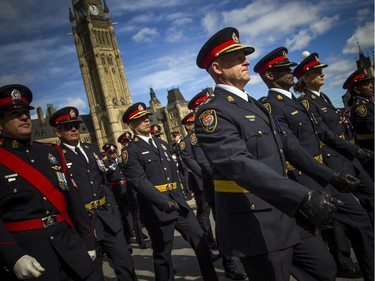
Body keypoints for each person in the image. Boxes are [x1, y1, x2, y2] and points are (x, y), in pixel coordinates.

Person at [194, 27, 341, 281]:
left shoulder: (256, 104)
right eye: (238, 57)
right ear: (217, 68)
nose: (247, 60)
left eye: (244, 55)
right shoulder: (213, 114)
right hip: (256, 220)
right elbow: (239, 164)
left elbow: (290, 146)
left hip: (287, 210)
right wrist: (303, 197)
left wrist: (331, 176)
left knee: (324, 270)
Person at [254, 47, 374, 281]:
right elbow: (293, 148)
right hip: (305, 179)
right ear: (269, 76)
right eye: (284, 69)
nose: (291, 72)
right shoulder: (271, 105)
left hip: (323, 174)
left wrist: (356, 151)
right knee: (319, 247)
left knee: (361, 222)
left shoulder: (299, 102)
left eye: (290, 68)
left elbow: (323, 133)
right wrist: (330, 175)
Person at [0, 84, 101, 281]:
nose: (24, 117)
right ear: (1, 122)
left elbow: (73, 199)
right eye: (15, 113)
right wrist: (13, 256)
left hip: (71, 246)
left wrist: (88, 240)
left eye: (25, 112)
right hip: (31, 257)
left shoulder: (51, 153)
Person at [121, 102, 219, 281]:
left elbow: (173, 173)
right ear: (131, 125)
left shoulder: (162, 143)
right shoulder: (131, 151)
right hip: (157, 209)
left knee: (200, 241)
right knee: (163, 254)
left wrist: (180, 196)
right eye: (140, 119)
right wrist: (162, 201)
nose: (146, 121)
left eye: (146, 117)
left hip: (178, 204)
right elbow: (139, 181)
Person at [49, 107, 137, 281]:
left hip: (107, 216)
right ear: (58, 132)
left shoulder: (92, 149)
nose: (74, 129)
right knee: (94, 271)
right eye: (68, 127)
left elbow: (103, 183)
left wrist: (114, 213)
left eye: (76, 125)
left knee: (125, 262)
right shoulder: (55, 157)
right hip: (84, 222)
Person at [294, 53, 374, 222]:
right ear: (306, 79)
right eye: (317, 72)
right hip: (335, 159)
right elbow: (323, 133)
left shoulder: (324, 97)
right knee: (355, 214)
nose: (322, 74)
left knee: (371, 195)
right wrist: (356, 149)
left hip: (347, 155)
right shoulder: (306, 102)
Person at [181, 97, 247, 280]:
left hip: (231, 181)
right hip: (216, 184)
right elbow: (197, 160)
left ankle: (241, 259)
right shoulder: (193, 137)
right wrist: (218, 174)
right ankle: (230, 265)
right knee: (224, 225)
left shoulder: (219, 125)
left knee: (238, 223)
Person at [117, 134, 150, 250]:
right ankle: (140, 240)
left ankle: (143, 234)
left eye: (128, 140)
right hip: (132, 188)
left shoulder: (132, 151)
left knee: (143, 212)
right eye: (126, 141)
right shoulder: (124, 155)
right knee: (136, 214)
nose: (128, 143)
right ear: (122, 143)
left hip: (140, 185)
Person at [343, 68, 374, 179]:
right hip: (371, 148)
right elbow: (371, 127)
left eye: (370, 83)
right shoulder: (361, 107)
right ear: (357, 90)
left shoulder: (367, 103)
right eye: (366, 84)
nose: (371, 86)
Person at [102, 143, 134, 246]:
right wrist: (110, 169)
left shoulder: (121, 160)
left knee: (130, 212)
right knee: (122, 214)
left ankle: (132, 231)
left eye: (114, 152)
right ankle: (126, 236)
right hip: (116, 191)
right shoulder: (106, 164)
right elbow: (106, 176)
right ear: (107, 154)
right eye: (111, 153)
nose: (113, 154)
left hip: (126, 189)